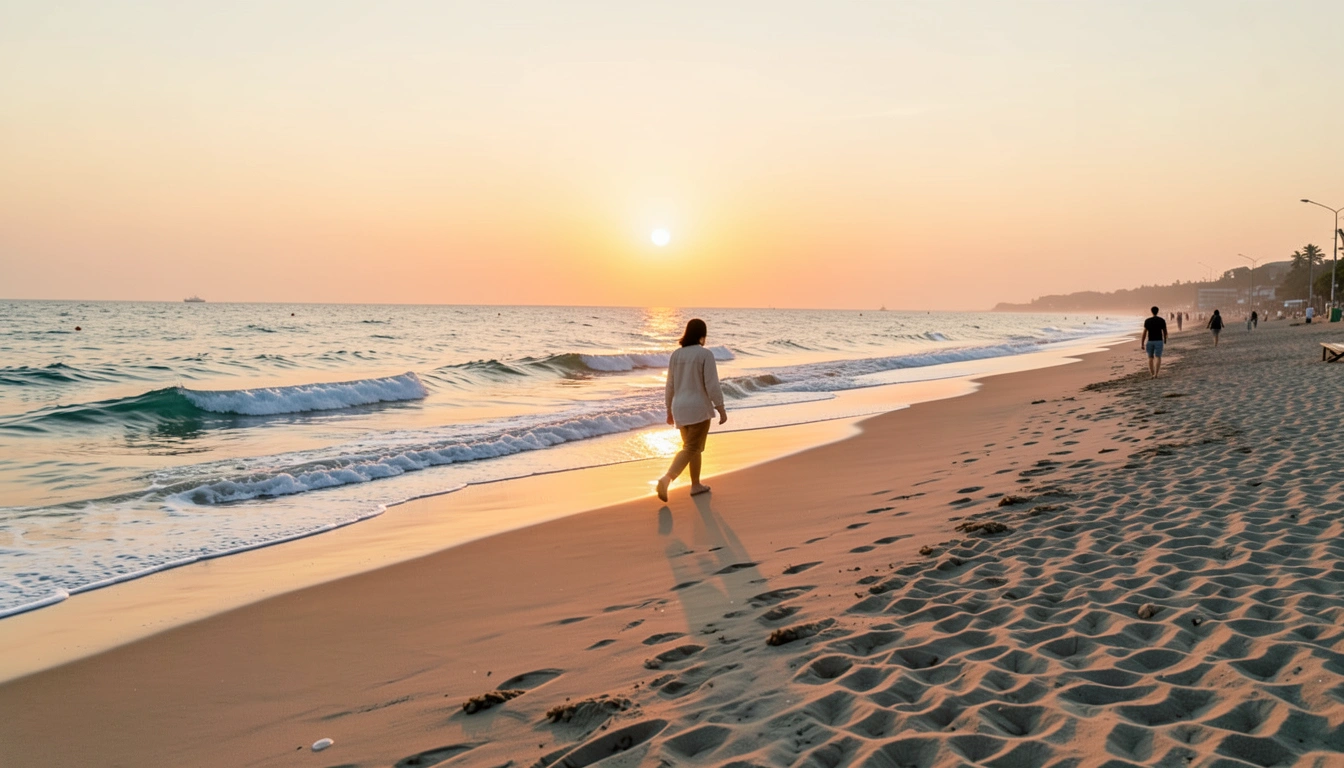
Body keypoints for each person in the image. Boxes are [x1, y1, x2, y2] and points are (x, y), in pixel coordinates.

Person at [656, 318, 727, 502]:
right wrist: (721, 408)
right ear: (702, 335)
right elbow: (712, 385)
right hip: (698, 408)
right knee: (692, 447)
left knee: (693, 448)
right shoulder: (705, 355)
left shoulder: (676, 355)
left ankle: (696, 485)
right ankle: (666, 479)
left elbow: (669, 385)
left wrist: (669, 409)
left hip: (680, 407)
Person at [1141, 306, 1168, 378]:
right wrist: (1165, 339)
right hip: (1159, 341)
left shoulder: (1147, 321)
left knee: (1150, 358)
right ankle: (1156, 374)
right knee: (1158, 357)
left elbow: (1144, 333)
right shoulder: (1161, 320)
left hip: (1150, 341)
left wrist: (1142, 343)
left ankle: (1152, 373)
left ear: (1151, 311)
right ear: (1158, 311)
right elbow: (1165, 331)